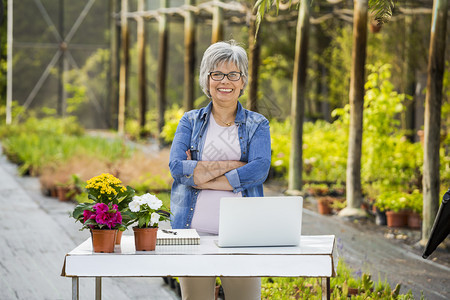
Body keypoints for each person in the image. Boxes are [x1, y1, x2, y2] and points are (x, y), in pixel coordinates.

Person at [169, 40, 271, 300]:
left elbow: (259, 170)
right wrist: (237, 168)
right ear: (207, 79)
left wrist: (200, 176)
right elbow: (178, 168)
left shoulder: (258, 124)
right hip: (191, 234)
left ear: (243, 81)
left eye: (233, 74)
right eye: (217, 74)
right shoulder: (190, 121)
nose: (225, 81)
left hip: (243, 235)